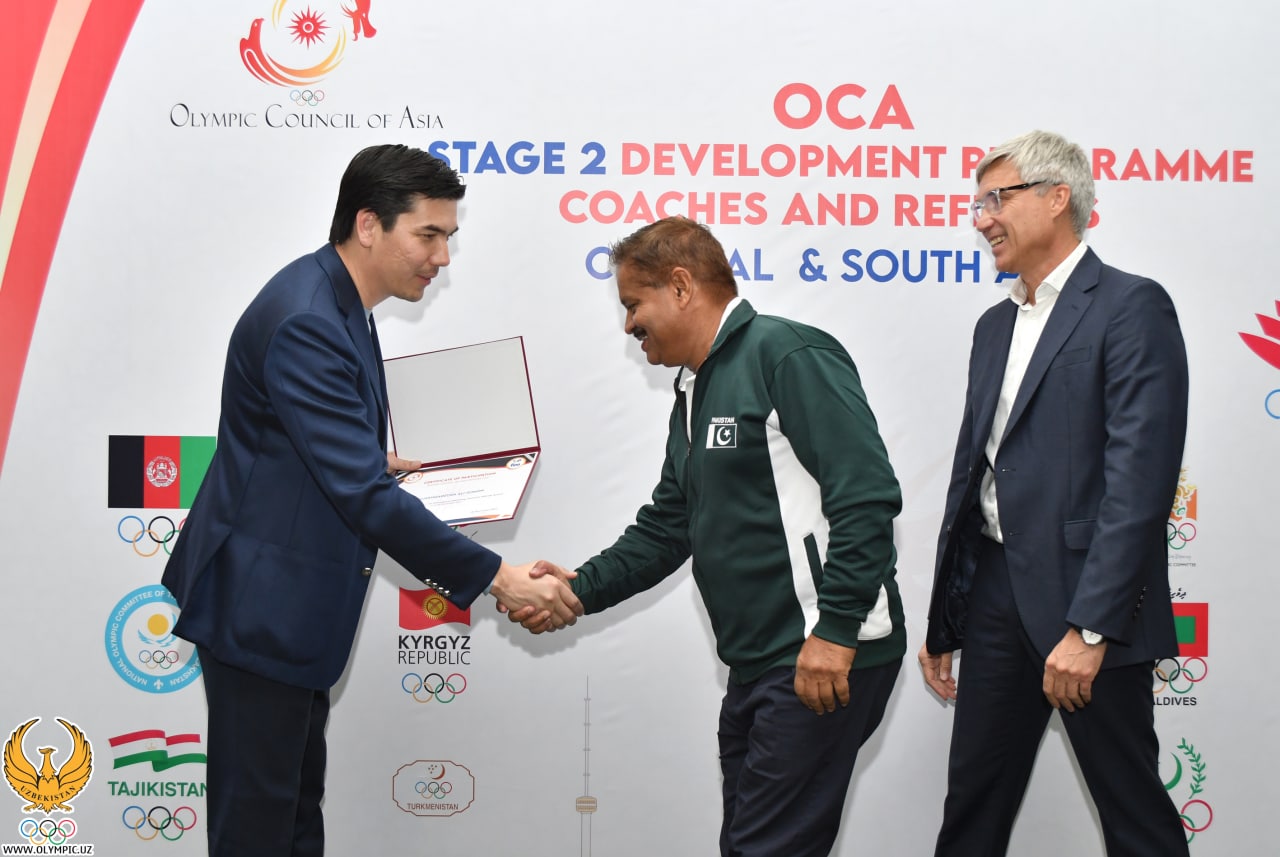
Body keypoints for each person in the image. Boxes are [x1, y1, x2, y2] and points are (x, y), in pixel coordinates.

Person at [161, 144, 581, 857]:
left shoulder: (336, 303)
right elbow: (360, 494)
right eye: (429, 235)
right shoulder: (308, 319)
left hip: (286, 606)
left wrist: (363, 456)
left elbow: (313, 447)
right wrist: (498, 577)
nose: (442, 257)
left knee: (295, 818)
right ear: (367, 225)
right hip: (260, 607)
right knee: (259, 832)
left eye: (448, 237)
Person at [515, 217, 906, 857]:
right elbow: (669, 526)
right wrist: (577, 589)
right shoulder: (694, 389)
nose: (628, 325)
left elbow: (865, 498)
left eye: (633, 304)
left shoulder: (786, 354)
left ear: (680, 286)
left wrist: (836, 631)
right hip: (758, 664)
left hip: (818, 653)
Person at [918, 130, 1190, 856]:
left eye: (996, 200)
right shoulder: (993, 325)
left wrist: (1092, 628)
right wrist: (947, 616)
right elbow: (975, 475)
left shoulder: (1131, 306)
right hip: (995, 593)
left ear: (1056, 197)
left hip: (1089, 602)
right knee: (972, 808)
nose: (981, 219)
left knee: (1134, 815)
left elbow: (1139, 484)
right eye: (977, 205)